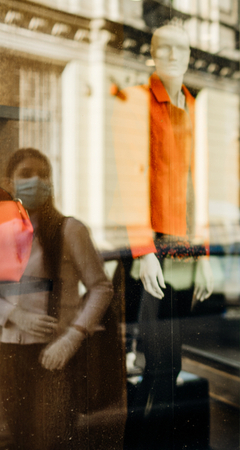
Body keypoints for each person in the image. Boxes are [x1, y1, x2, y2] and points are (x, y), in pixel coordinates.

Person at [112, 24, 213, 449]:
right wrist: (143, 249)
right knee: (155, 363)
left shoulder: (193, 105)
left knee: (171, 362)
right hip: (152, 248)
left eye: (180, 49)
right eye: (163, 48)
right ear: (153, 54)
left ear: (190, 56)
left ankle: (159, 442)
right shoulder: (137, 101)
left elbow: (197, 188)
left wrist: (204, 254)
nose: (172, 55)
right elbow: (129, 179)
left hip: (182, 249)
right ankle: (139, 443)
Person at [0, 148, 114, 449]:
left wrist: (72, 338)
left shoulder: (70, 230)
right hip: (8, 354)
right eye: (26, 174)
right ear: (9, 183)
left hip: (55, 356)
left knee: (50, 440)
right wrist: (15, 315)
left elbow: (101, 288)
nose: (36, 180)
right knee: (18, 439)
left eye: (43, 174)